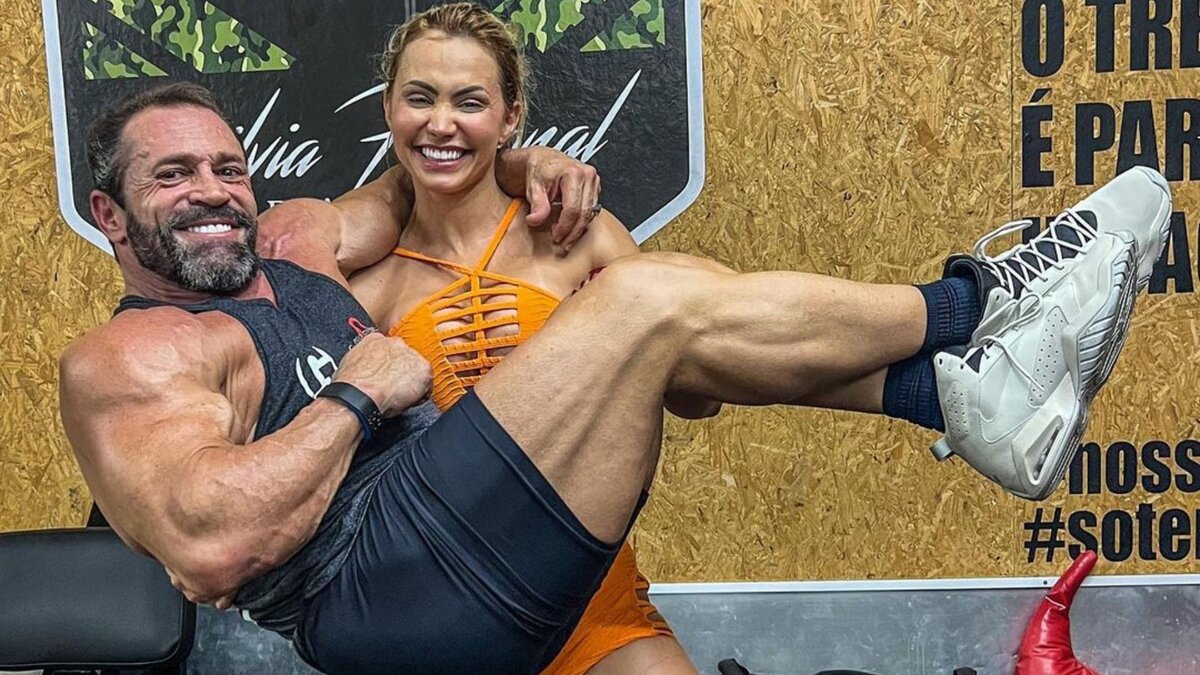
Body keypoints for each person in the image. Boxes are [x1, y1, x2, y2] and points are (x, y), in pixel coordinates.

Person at [57, 77, 1170, 674]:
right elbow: (208, 547)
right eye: (173, 177)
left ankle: (959, 394)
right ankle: (983, 302)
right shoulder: (132, 354)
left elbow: (404, 189)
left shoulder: (296, 242)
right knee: (638, 301)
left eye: (226, 166)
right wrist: (356, 395)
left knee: (658, 297)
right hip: (380, 591)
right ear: (109, 211)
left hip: (475, 538)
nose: (212, 191)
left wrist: (522, 161)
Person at [347, 6, 705, 673]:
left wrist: (668, 328)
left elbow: (696, 399)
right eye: (419, 98)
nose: (441, 123)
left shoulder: (579, 237)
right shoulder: (366, 287)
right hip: (442, 621)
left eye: (470, 102)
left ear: (510, 117)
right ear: (388, 107)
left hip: (594, 612)